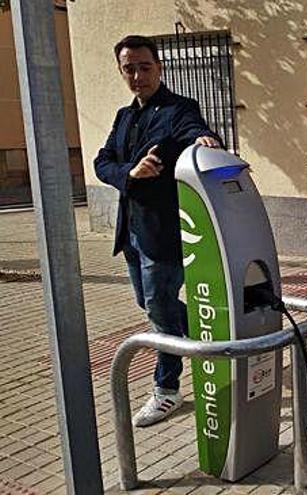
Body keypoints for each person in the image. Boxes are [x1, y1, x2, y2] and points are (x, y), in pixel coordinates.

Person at [94, 35, 221, 427]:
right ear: (121, 71)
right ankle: (214, 341)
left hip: (163, 233)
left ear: (159, 67)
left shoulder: (179, 109)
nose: (137, 75)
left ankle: (167, 389)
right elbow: (103, 162)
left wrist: (206, 141)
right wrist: (129, 173)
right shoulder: (124, 116)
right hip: (130, 230)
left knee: (160, 310)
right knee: (151, 304)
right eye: (128, 68)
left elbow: (196, 131)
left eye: (144, 67)